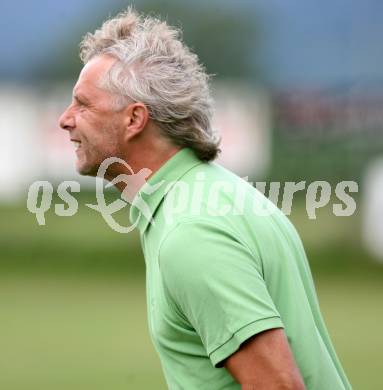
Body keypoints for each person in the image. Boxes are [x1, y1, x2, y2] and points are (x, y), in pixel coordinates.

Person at [59, 8, 352, 390]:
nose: (66, 119)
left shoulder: (191, 231)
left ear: (134, 119)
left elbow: (278, 385)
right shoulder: (216, 194)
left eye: (83, 104)